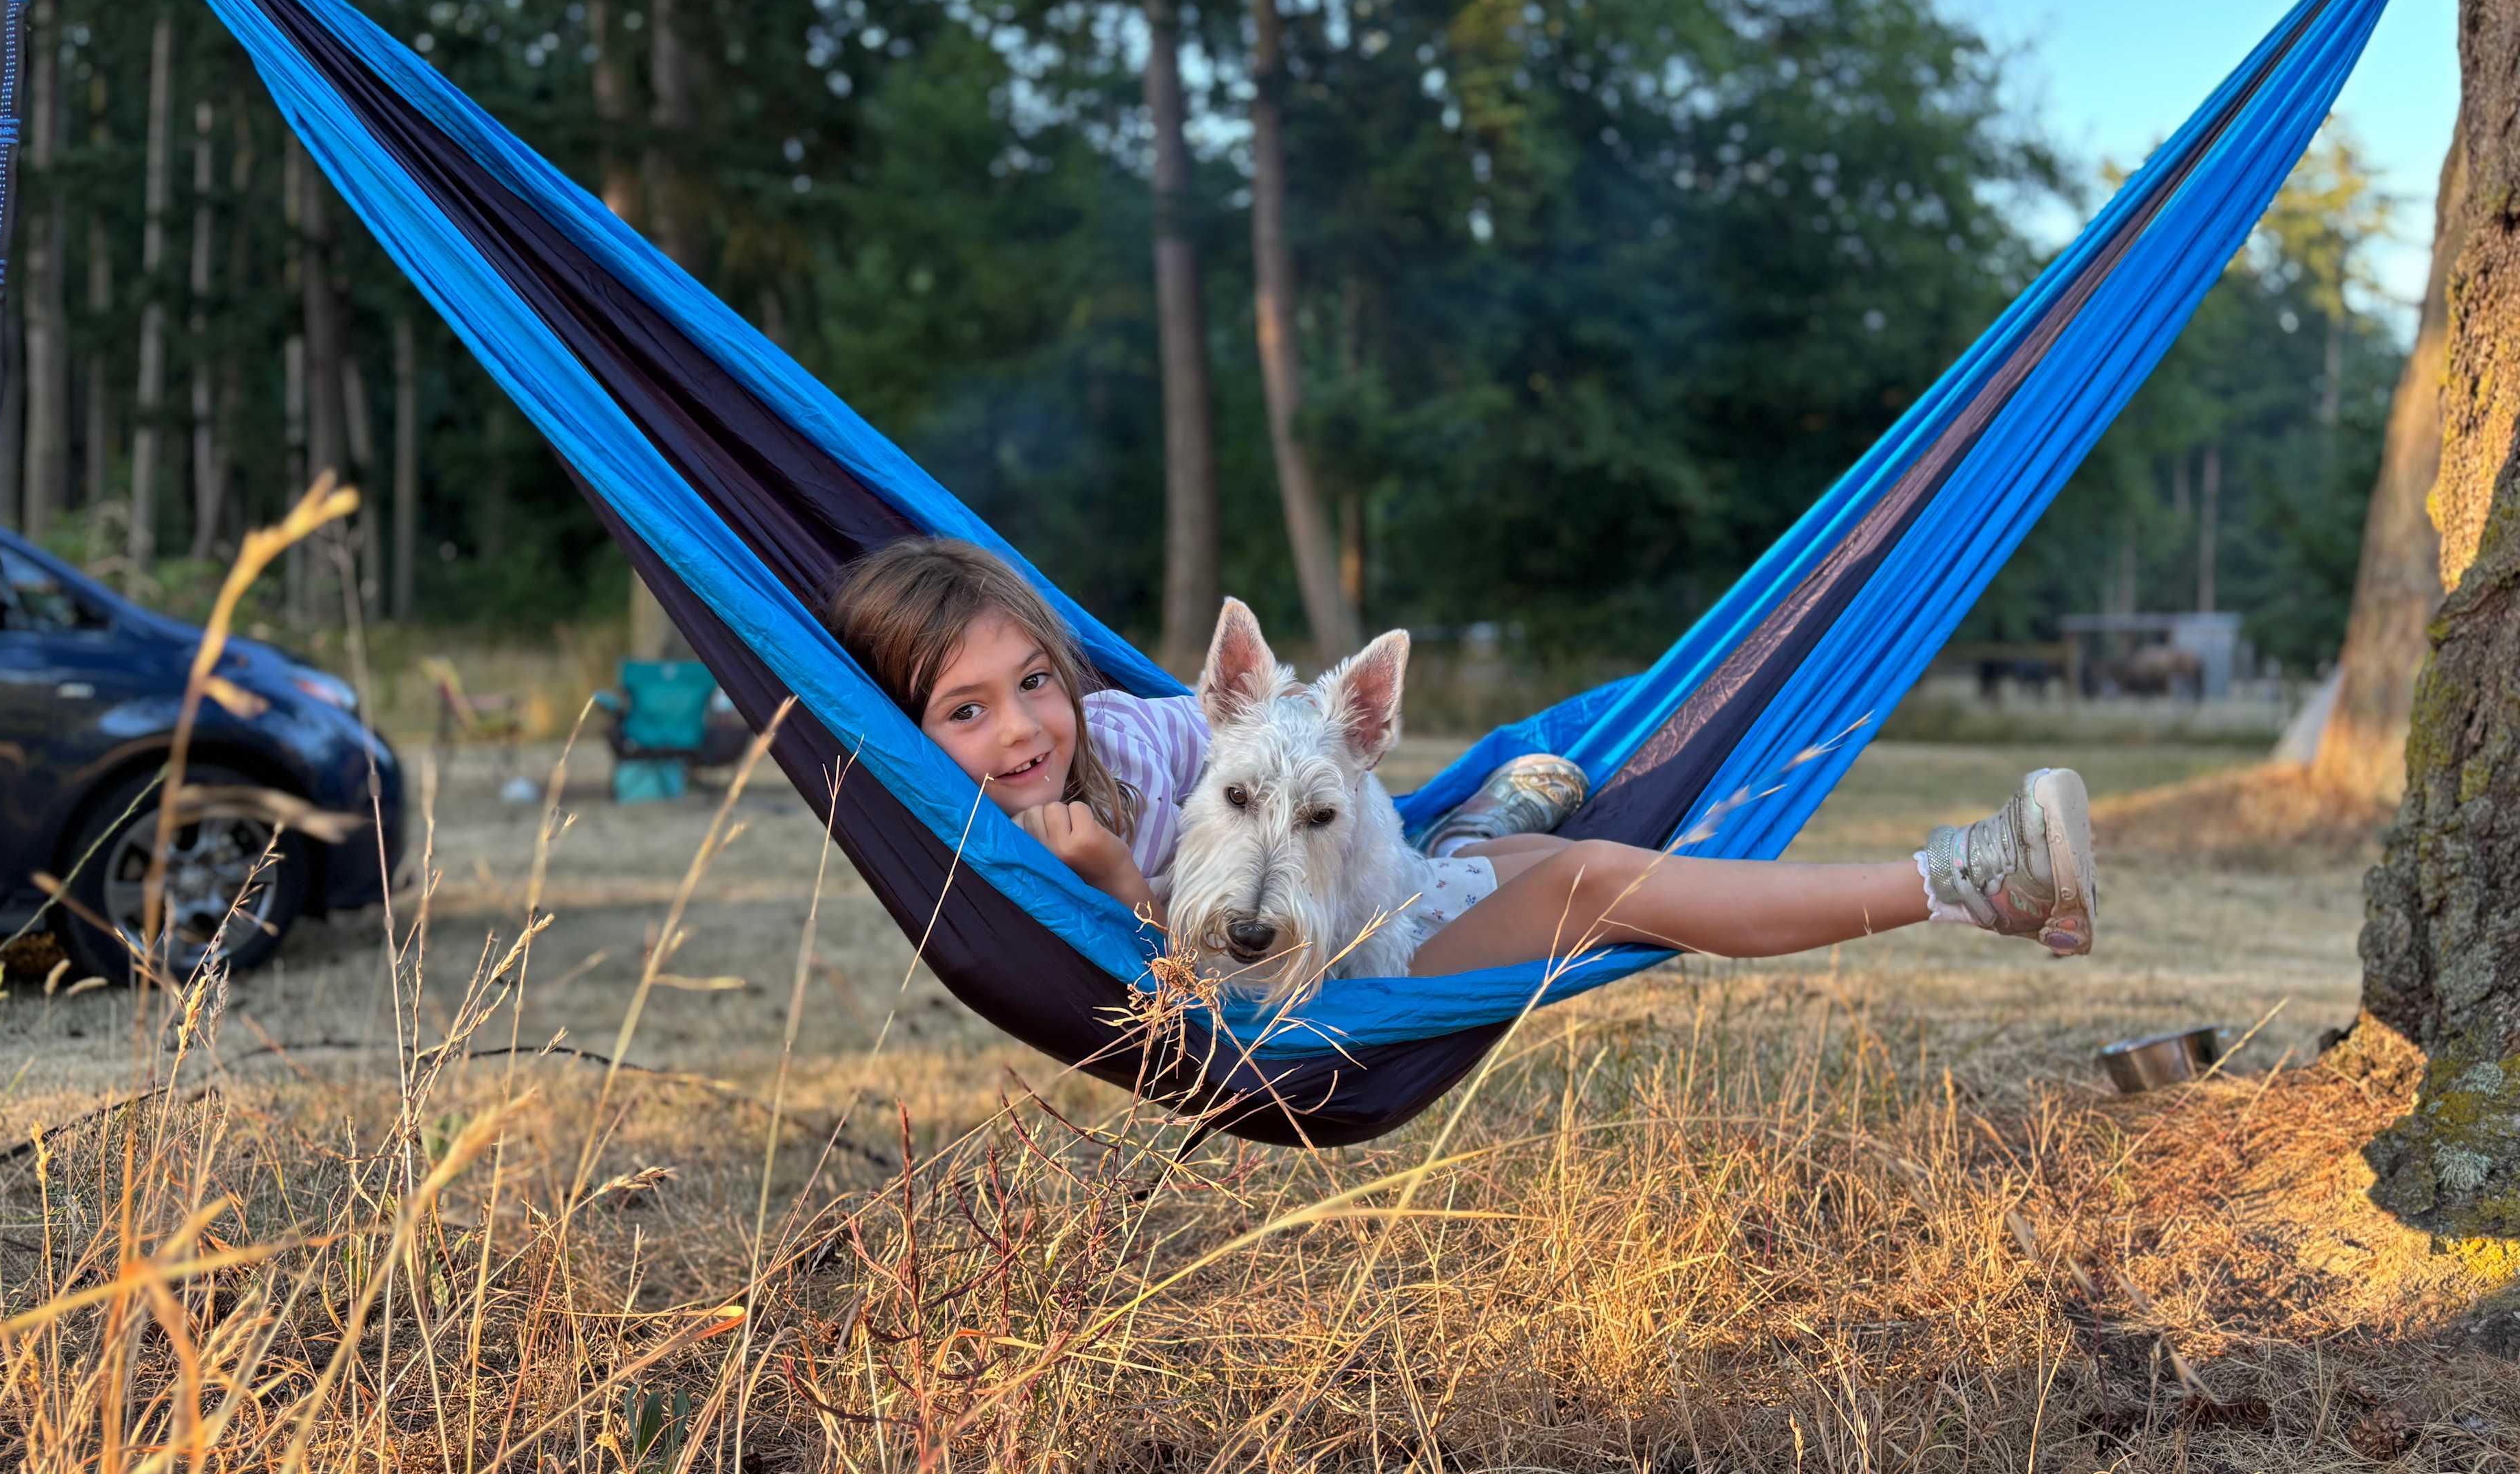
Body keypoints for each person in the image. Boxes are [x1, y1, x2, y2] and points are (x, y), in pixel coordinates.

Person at [826, 537, 2094, 976]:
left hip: (1365, 907)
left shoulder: (1137, 734)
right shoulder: (948, 827)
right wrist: (1116, 883)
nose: (1024, 731)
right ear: (902, 727)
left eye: (1035, 681)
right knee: (1601, 885)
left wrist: (1308, 763)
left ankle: (1469, 837)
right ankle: (1972, 879)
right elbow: (1176, 1008)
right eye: (967, 711)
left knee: (1535, 853)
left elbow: (1256, 741)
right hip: (1318, 992)